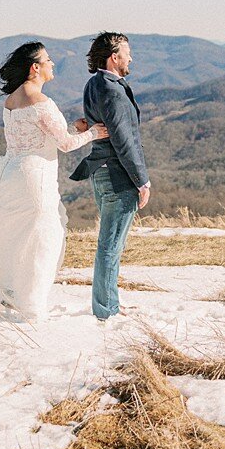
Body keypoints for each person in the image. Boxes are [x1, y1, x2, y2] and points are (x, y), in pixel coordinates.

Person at [0, 41, 107, 321]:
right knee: (43, 236)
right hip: (35, 177)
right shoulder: (42, 102)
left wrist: (71, 128)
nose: (53, 64)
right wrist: (93, 133)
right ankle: (31, 303)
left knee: (10, 232)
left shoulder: (12, 99)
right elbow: (64, 144)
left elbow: (35, 137)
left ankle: (4, 291)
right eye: (48, 60)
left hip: (11, 173)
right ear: (35, 68)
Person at [69, 32, 149, 322]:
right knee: (110, 246)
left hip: (101, 171)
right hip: (117, 174)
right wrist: (141, 180)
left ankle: (109, 303)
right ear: (114, 57)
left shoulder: (94, 84)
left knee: (111, 245)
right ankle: (105, 310)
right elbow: (124, 138)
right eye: (127, 53)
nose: (131, 58)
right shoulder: (113, 89)